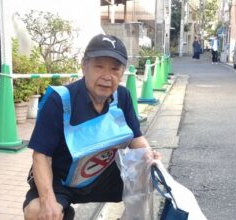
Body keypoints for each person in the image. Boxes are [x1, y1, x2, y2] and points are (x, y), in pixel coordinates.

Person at [23, 34, 161, 220]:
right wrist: (48, 201)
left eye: (114, 69)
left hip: (102, 174)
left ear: (122, 72)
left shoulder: (123, 96)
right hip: (62, 180)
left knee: (147, 172)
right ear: (84, 66)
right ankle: (63, 212)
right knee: (36, 212)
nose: (107, 76)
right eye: (99, 66)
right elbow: (41, 155)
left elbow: (135, 137)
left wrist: (149, 154)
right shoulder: (59, 100)